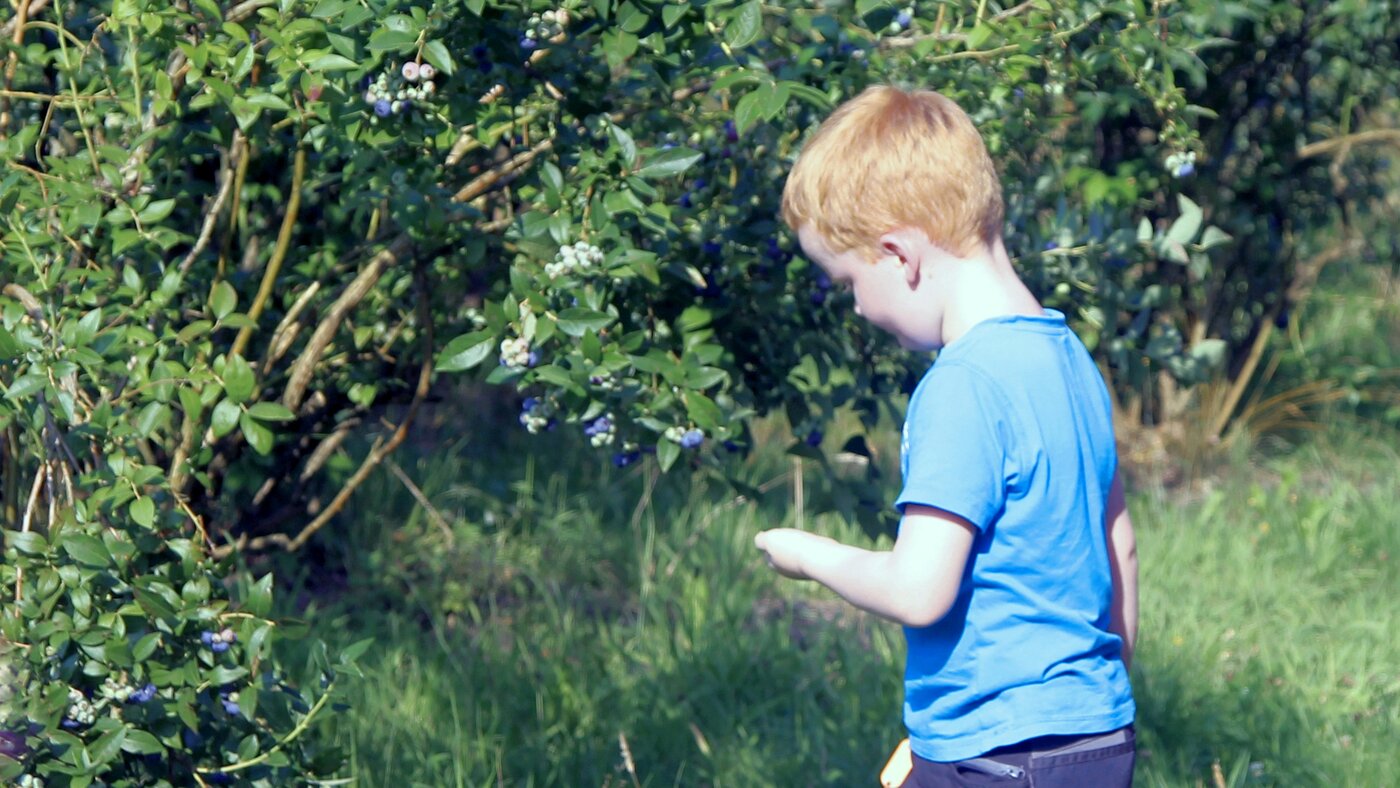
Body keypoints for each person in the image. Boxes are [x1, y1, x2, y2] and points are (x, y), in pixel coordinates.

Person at [754, 85, 1139, 787]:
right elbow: (1121, 545)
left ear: (900, 256)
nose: (857, 308)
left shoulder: (963, 383)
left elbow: (919, 589)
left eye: (846, 281)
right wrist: (1092, 711)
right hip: (1097, 740)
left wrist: (807, 555)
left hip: (993, 758)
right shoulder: (1069, 359)